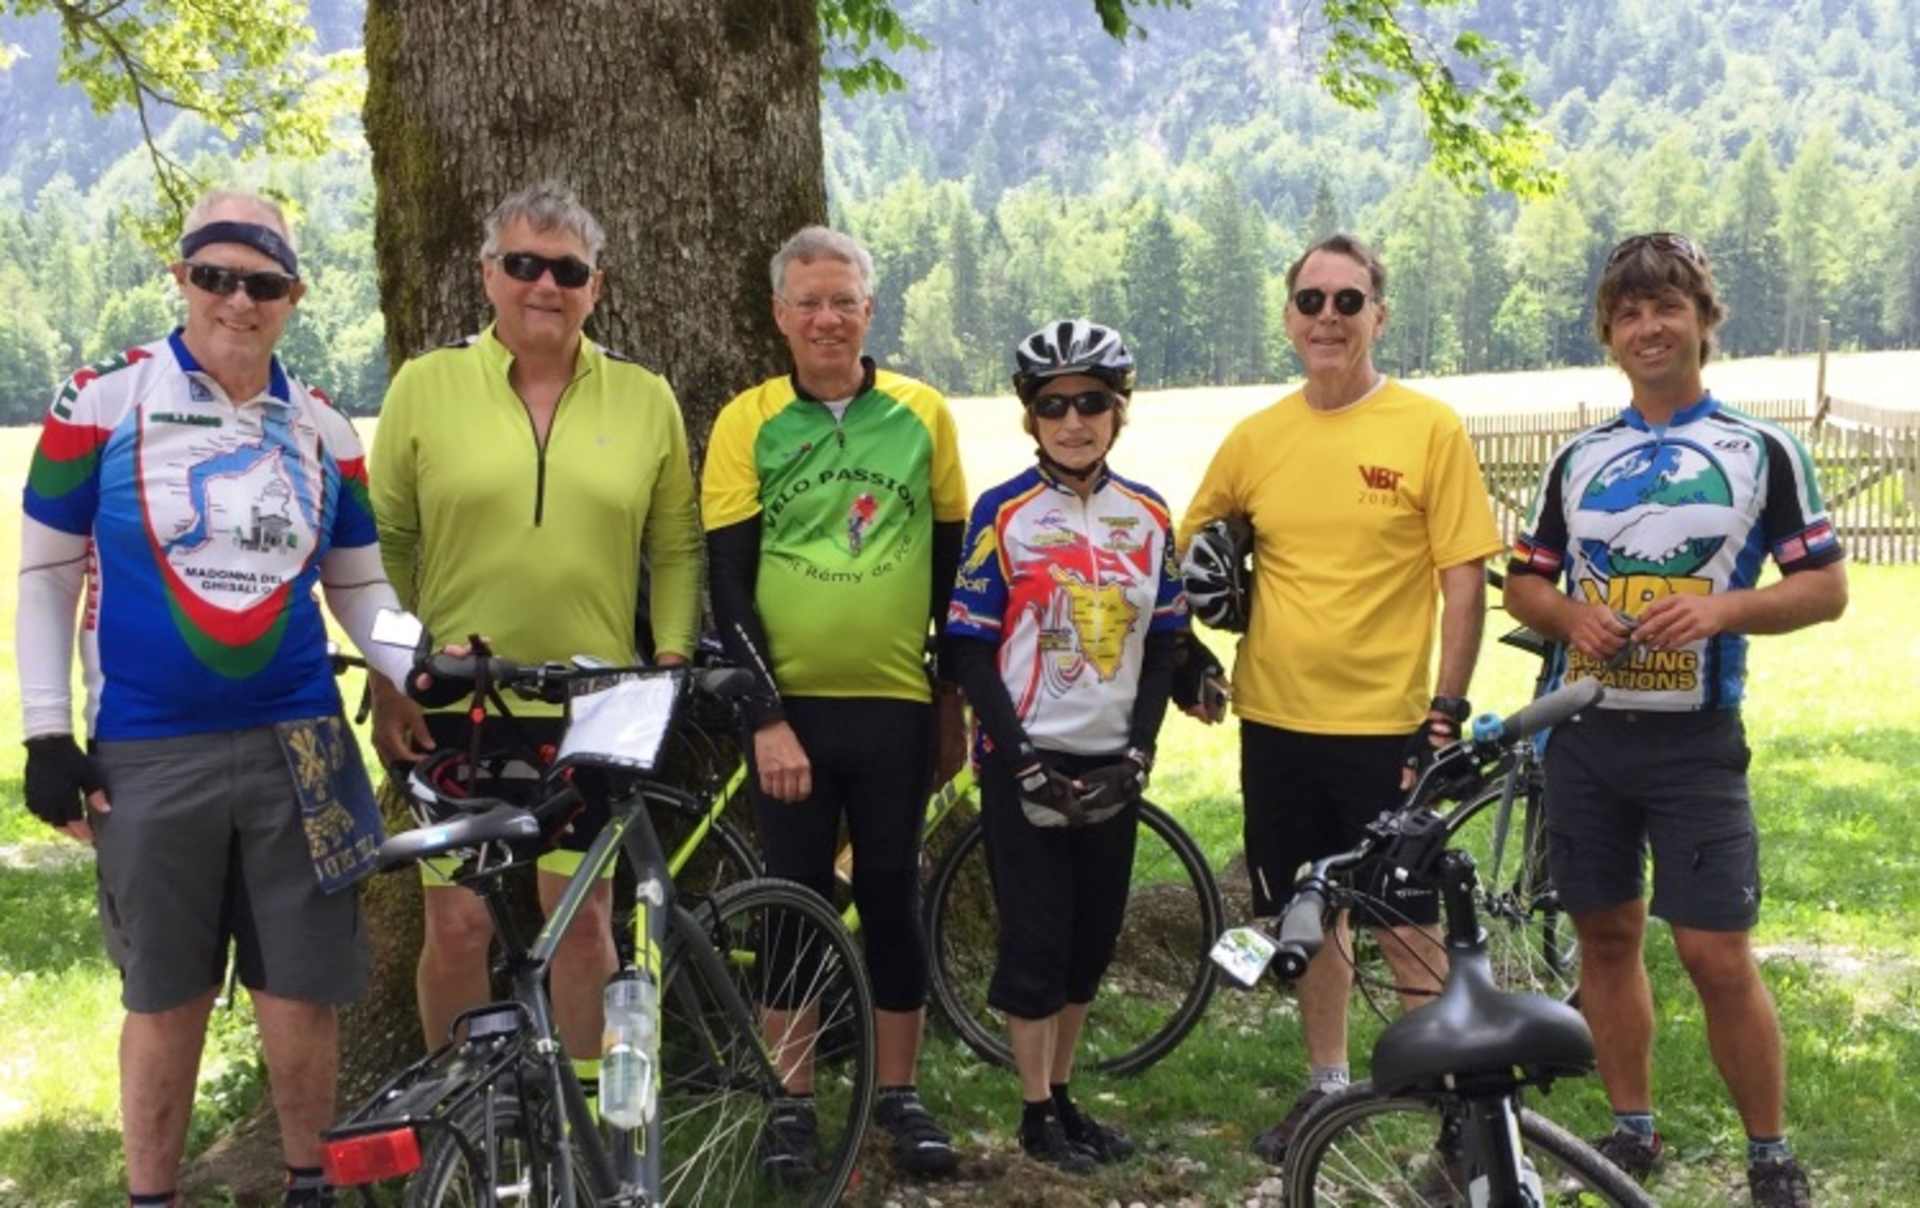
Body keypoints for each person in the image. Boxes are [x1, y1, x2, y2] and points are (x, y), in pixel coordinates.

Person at [14, 189, 414, 1208]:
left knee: (304, 989)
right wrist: (48, 731)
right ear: (182, 278)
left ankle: (310, 1187)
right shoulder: (98, 401)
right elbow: (48, 571)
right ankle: (154, 1196)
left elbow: (360, 585)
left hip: (306, 739)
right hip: (149, 745)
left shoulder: (323, 422)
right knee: (165, 992)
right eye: (216, 275)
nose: (239, 299)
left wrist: (424, 662)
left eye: (264, 282)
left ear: (294, 297)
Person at [1504, 232, 1844, 1208]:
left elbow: (1824, 587)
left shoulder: (1761, 449)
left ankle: (1771, 1154)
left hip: (1696, 738)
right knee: (1604, 936)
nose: (1649, 327)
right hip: (1587, 731)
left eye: (1668, 308)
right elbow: (1527, 584)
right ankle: (1631, 1130)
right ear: (1609, 334)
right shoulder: (1578, 456)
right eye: (1629, 312)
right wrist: (1571, 614)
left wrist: (1722, 608)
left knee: (1712, 949)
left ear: (1703, 320)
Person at [367, 182, 703, 1091]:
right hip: (451, 704)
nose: (543, 285)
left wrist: (668, 663)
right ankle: (465, 1123)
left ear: (597, 286)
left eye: (566, 270)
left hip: (593, 704)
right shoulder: (425, 387)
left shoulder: (645, 397)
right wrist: (393, 673)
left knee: (584, 917)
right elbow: (382, 542)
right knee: (458, 925)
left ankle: (592, 1128)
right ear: (488, 275)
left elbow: (674, 545)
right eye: (522, 265)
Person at [1179, 233, 1506, 1166]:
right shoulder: (1258, 438)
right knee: (1306, 916)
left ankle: (1443, 1110)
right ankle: (1327, 1091)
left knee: (1409, 923)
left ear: (1379, 315)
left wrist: (1446, 706)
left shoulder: (1426, 427)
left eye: (1348, 302)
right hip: (1277, 720)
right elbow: (1191, 547)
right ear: (1288, 318)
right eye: (1311, 302)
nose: (1329, 318)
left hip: (1388, 723)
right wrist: (1194, 642)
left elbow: (1460, 577)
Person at [702, 225, 969, 1178]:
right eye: (807, 302)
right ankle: (791, 1102)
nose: (825, 318)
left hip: (895, 705)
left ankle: (899, 1095)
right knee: (794, 903)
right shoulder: (749, 420)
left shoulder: (922, 414)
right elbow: (726, 582)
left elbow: (950, 573)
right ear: (779, 314)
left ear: (869, 308)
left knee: (895, 894)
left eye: (842, 300)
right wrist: (763, 715)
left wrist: (949, 701)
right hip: (792, 716)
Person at [943, 319, 1186, 1172]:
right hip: (1026, 757)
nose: (1073, 421)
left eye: (1091, 403)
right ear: (1031, 417)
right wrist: (1017, 755)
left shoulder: (1149, 514)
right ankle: (1034, 1112)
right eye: (1054, 406)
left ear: (1118, 412)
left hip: (1113, 758)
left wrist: (1141, 750)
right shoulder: (1002, 512)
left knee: (1091, 941)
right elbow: (967, 647)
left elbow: (1164, 643)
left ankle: (1068, 1096)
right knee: (1037, 941)